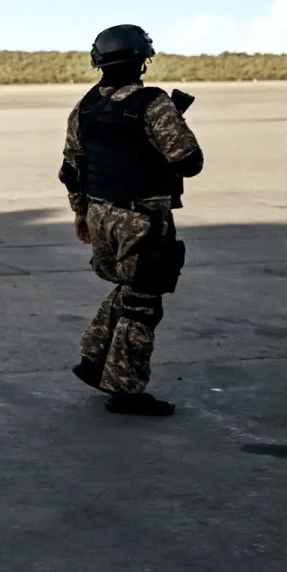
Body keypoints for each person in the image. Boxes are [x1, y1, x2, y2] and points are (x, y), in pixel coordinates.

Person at [59, 26, 204, 417]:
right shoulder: (152, 103)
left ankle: (94, 356)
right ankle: (126, 389)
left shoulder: (86, 106)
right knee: (144, 302)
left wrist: (80, 212)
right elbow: (189, 161)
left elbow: (71, 167)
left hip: (101, 211)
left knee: (131, 288)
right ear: (142, 58)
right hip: (140, 216)